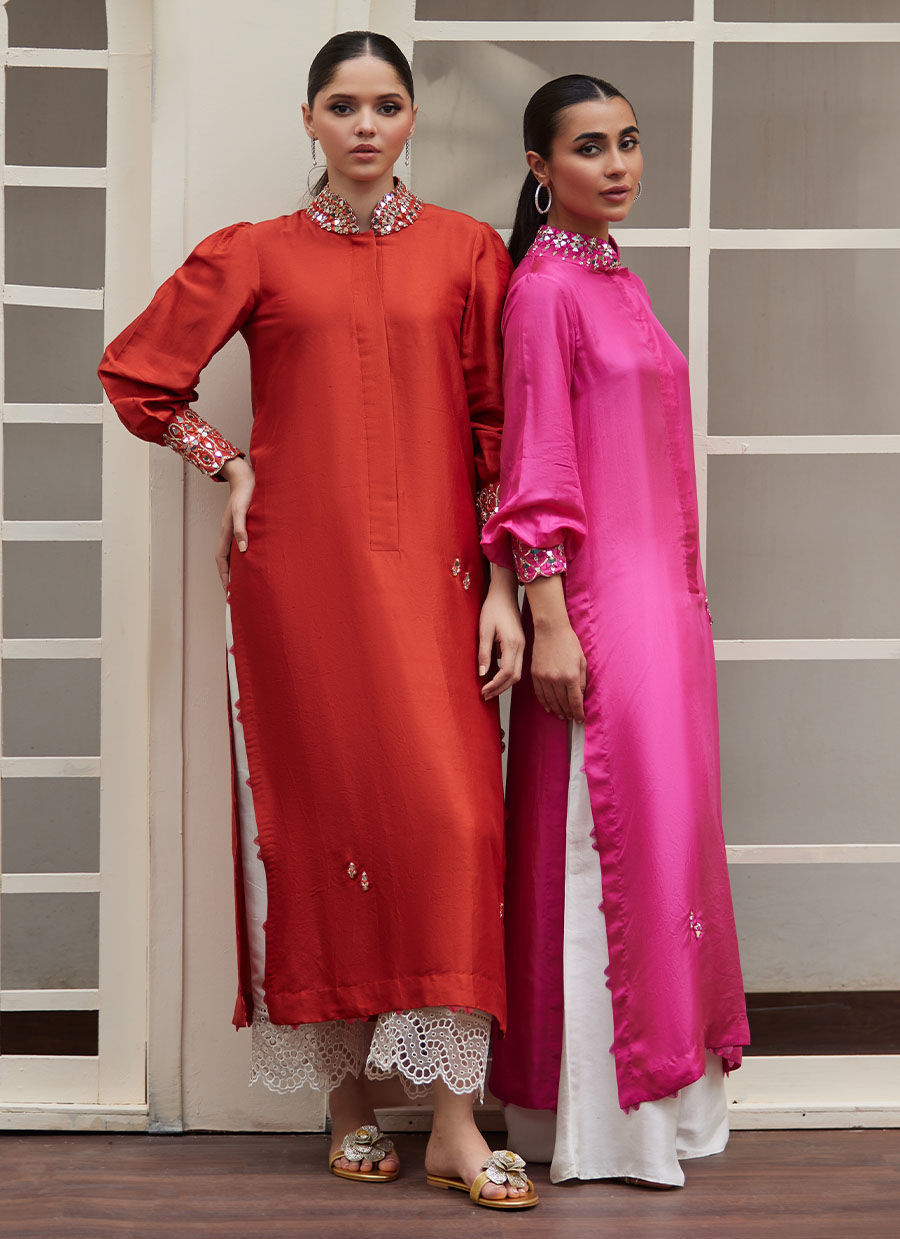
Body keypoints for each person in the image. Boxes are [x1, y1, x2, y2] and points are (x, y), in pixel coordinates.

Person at [99, 31, 538, 1210]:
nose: (365, 125)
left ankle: (454, 1122)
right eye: (343, 105)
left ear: (411, 120)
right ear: (309, 120)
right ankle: (347, 1108)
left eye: (386, 105)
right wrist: (227, 462)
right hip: (299, 578)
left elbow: (502, 431)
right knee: (324, 823)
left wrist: (505, 588)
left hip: (440, 579)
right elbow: (140, 374)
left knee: (453, 825)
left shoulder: (468, 252)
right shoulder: (256, 252)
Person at [481, 74, 750, 1188]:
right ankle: (603, 1121)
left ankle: (664, 1107)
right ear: (540, 168)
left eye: (628, 141)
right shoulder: (544, 291)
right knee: (610, 843)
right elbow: (535, 463)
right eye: (590, 147)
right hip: (595, 612)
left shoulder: (618, 282)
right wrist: (547, 618)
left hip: (663, 615)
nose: (619, 164)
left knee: (670, 840)